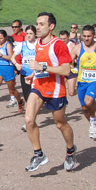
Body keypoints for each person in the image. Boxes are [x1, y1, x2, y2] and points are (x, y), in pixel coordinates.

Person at [23, 12, 76, 172]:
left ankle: (71, 150)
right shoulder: (38, 43)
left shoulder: (58, 44)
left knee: (60, 124)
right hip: (39, 86)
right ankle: (38, 154)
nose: (37, 27)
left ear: (51, 27)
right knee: (28, 120)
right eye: (37, 23)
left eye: (41, 24)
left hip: (55, 90)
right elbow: (41, 63)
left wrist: (43, 68)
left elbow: (66, 70)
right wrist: (33, 74)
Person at [69, 25, 96, 139]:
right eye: (84, 36)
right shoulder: (77, 48)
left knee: (88, 102)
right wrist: (71, 65)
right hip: (82, 81)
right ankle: (94, 122)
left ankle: (93, 121)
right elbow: (69, 60)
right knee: (84, 108)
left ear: (94, 35)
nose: (86, 38)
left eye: (89, 36)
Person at [0, 30, 24, 117]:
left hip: (8, 68)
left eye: (1, 38)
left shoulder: (8, 44)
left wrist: (1, 56)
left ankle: (20, 102)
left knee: (12, 90)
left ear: (5, 37)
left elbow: (11, 57)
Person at [11, 25, 37, 131]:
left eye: (31, 33)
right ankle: (29, 121)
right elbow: (13, 57)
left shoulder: (38, 45)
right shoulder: (22, 45)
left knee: (34, 98)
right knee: (27, 98)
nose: (29, 36)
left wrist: (34, 72)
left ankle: (29, 121)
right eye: (27, 34)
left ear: (35, 34)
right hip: (25, 74)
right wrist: (17, 65)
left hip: (36, 75)